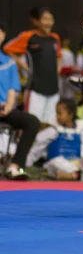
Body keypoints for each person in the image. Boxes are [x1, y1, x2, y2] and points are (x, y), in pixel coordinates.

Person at [26, 98, 83, 181]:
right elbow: (36, 149)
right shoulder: (52, 130)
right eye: (56, 113)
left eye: (59, 113)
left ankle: (75, 175)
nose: (57, 116)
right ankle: (80, 175)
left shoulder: (81, 130)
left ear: (70, 114)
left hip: (77, 164)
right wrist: (25, 164)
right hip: (58, 165)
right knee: (56, 161)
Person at [4, 7, 61, 124]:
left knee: (50, 124)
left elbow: (59, 55)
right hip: (35, 88)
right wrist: (24, 66)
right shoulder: (28, 36)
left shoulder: (55, 38)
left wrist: (58, 69)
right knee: (33, 123)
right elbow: (7, 49)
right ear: (36, 21)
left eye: (51, 19)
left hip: (53, 88)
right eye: (45, 19)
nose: (48, 22)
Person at [0, 23, 40, 179]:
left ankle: (15, 166)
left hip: (5, 108)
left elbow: (12, 90)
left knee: (32, 122)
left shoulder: (8, 62)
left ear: (3, 36)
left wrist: (8, 107)